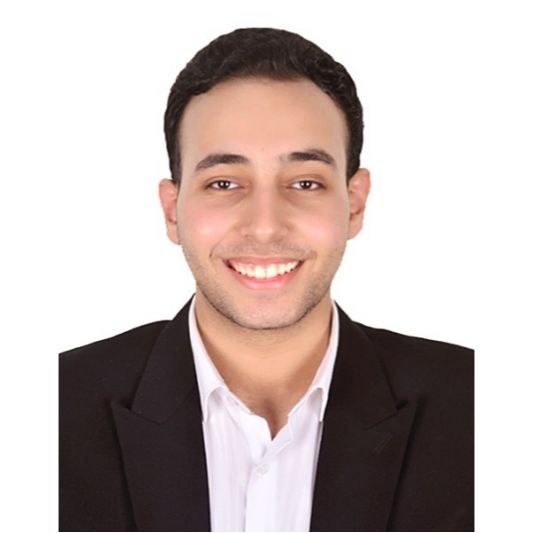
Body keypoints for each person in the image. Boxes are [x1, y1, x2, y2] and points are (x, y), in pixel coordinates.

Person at [59, 27, 474, 532]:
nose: (265, 225)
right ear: (172, 211)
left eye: (305, 182)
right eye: (223, 183)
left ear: (354, 204)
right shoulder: (51, 410)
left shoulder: (479, 408)